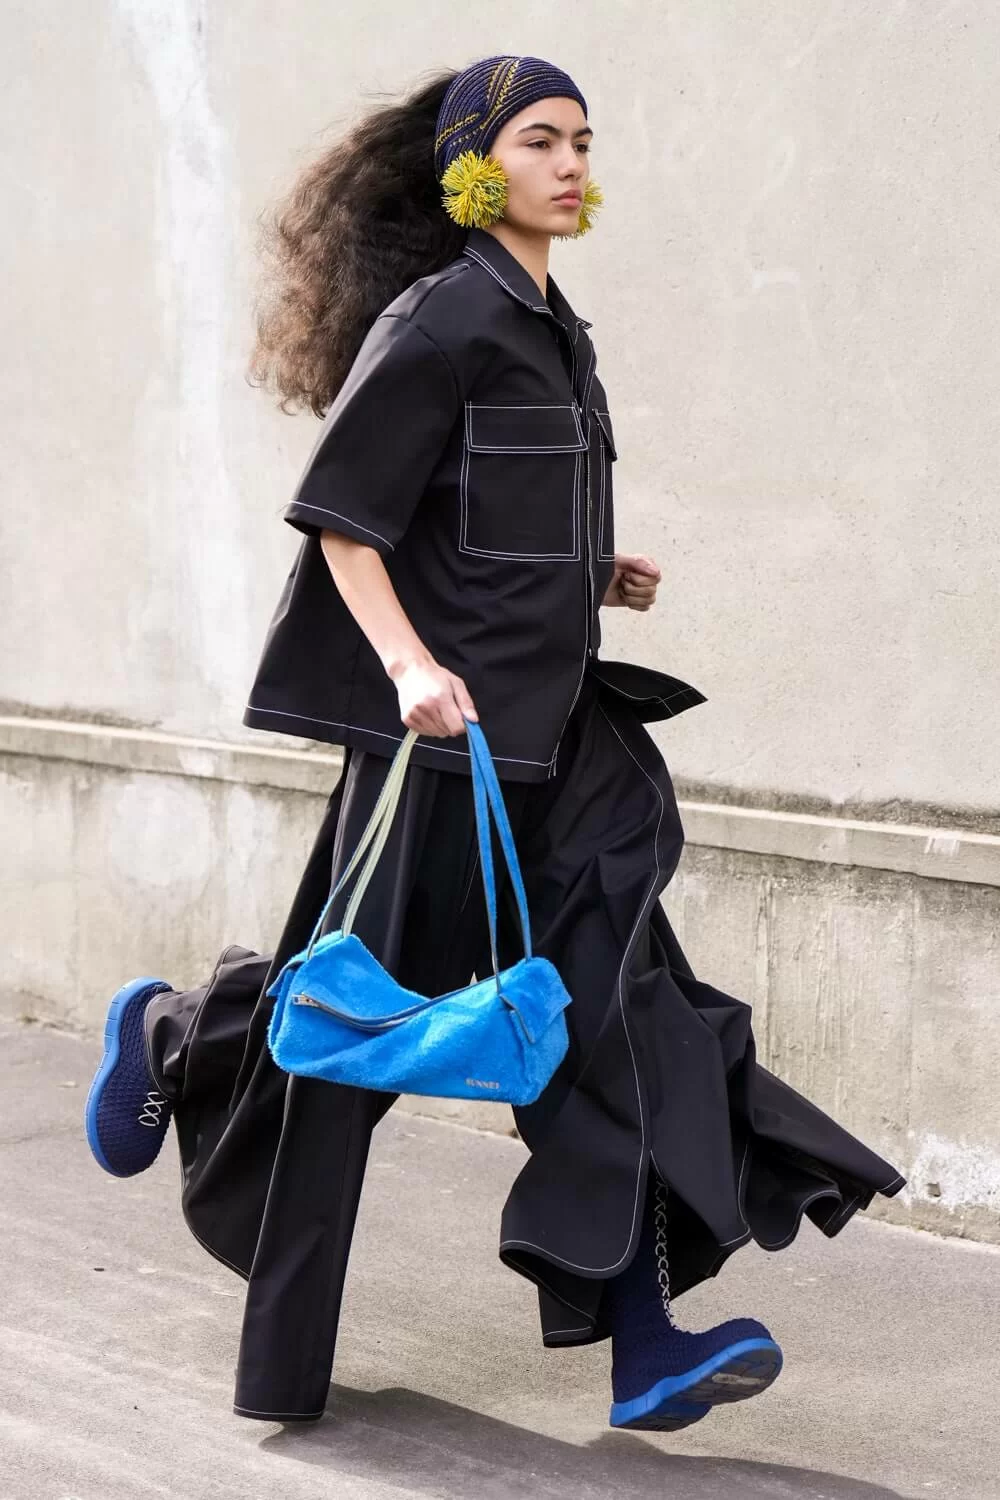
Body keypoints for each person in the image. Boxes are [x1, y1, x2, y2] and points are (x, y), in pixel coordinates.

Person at [83, 55, 905, 1433]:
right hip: (442, 757)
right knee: (342, 1041)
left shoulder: (560, 334)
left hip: (566, 752)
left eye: (583, 140)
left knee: (616, 1026)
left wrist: (593, 574)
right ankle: (176, 1034)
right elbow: (346, 522)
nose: (572, 163)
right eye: (540, 140)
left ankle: (646, 1345)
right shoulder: (444, 317)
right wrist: (409, 667)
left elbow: (482, 523)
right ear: (475, 166)